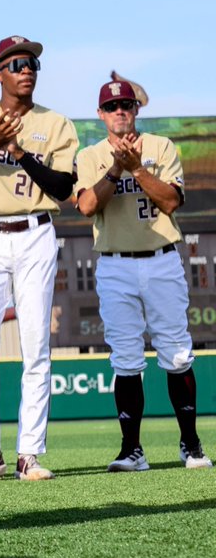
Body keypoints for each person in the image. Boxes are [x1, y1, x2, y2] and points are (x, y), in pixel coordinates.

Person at [0, 36, 77, 482]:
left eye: (32, 64)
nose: (27, 70)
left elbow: (63, 188)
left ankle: (29, 453)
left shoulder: (55, 123)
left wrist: (19, 152)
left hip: (36, 232)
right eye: (17, 63)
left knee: (35, 344)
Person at [76, 76, 211, 472]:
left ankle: (191, 443)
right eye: (112, 107)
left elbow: (170, 201)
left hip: (161, 257)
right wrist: (117, 169)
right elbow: (87, 206)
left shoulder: (160, 146)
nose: (120, 111)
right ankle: (131, 449)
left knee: (176, 351)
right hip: (115, 262)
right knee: (125, 357)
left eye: (126, 105)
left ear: (136, 109)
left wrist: (136, 168)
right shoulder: (91, 155)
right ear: (101, 114)